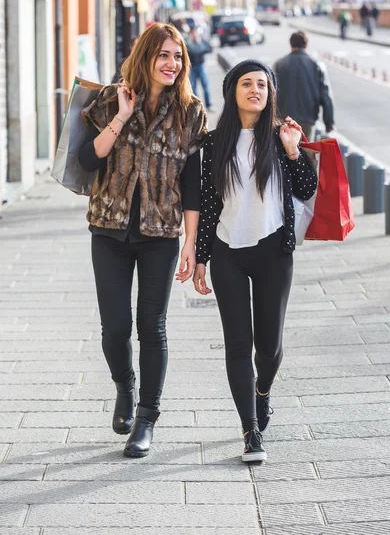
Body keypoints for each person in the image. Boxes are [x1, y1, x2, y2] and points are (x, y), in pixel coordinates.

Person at [78, 23, 207, 458]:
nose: (172, 64)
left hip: (161, 234)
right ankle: (124, 387)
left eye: (178, 57)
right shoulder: (110, 99)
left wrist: (191, 243)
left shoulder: (191, 113)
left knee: (152, 327)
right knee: (115, 328)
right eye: (163, 55)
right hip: (109, 229)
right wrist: (120, 116)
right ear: (146, 58)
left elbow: (193, 185)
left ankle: (147, 419)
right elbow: (85, 158)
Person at [193, 60, 318, 462]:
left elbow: (307, 188)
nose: (255, 90)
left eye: (262, 84)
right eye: (247, 83)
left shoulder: (282, 136)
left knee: (270, 347)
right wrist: (200, 258)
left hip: (273, 253)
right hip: (228, 252)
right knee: (237, 345)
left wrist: (294, 150)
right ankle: (250, 432)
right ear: (232, 91)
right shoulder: (213, 143)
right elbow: (210, 204)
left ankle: (263, 392)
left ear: (270, 92)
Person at [273, 31, 335, 141]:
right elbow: (326, 97)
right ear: (306, 45)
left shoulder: (279, 64)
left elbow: (272, 93)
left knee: (284, 155)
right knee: (307, 154)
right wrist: (329, 125)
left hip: (284, 120)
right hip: (308, 120)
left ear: (291, 45)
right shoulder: (316, 65)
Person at [186, 26, 214, 112]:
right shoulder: (187, 42)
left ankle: (209, 105)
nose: (194, 34)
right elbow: (192, 51)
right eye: (192, 32)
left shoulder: (201, 41)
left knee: (205, 86)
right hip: (192, 67)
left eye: (195, 32)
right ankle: (197, 106)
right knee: (193, 88)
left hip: (201, 66)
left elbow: (209, 49)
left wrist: (199, 43)